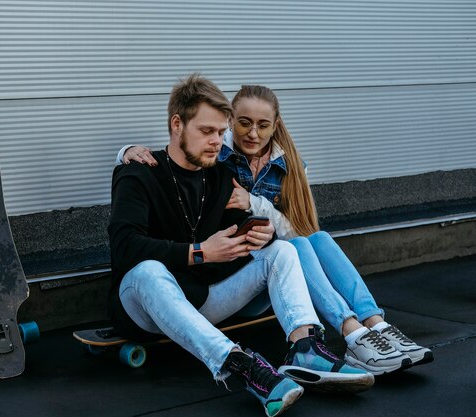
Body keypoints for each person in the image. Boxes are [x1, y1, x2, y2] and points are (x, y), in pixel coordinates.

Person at [117, 84, 434, 376]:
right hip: (220, 279)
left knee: (312, 239)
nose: (251, 133)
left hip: (267, 276)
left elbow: (292, 228)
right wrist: (128, 151)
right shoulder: (219, 156)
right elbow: (178, 154)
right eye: (242, 123)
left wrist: (257, 210)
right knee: (295, 245)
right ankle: (351, 331)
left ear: (276, 125)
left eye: (262, 125)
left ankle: (372, 326)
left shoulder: (284, 166)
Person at [109, 74, 374, 417]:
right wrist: (200, 251)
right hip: (141, 307)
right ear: (177, 124)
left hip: (203, 299)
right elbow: (124, 248)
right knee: (148, 271)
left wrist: (259, 240)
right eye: (207, 131)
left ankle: (307, 348)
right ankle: (242, 366)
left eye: (221, 132)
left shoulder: (220, 176)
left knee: (282, 250)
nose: (217, 141)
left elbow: (228, 248)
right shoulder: (139, 173)